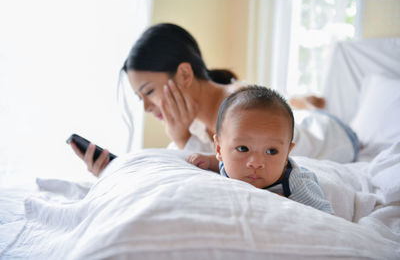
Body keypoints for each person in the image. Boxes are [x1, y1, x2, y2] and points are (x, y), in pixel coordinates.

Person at [69, 23, 359, 177]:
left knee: (298, 116)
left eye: (148, 92)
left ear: (184, 74)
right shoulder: (191, 124)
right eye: (139, 98)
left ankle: (303, 104)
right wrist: (117, 173)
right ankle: (300, 101)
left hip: (335, 133)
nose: (146, 107)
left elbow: (244, 169)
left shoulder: (238, 103)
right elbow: (184, 170)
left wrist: (181, 139)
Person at [186, 85, 334, 214]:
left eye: (271, 151)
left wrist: (292, 206)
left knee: (318, 118)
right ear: (219, 149)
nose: (256, 163)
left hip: (333, 129)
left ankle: (308, 105)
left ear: (287, 153)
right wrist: (206, 160)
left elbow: (326, 217)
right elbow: (219, 163)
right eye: (243, 149)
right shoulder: (231, 162)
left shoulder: (296, 184)